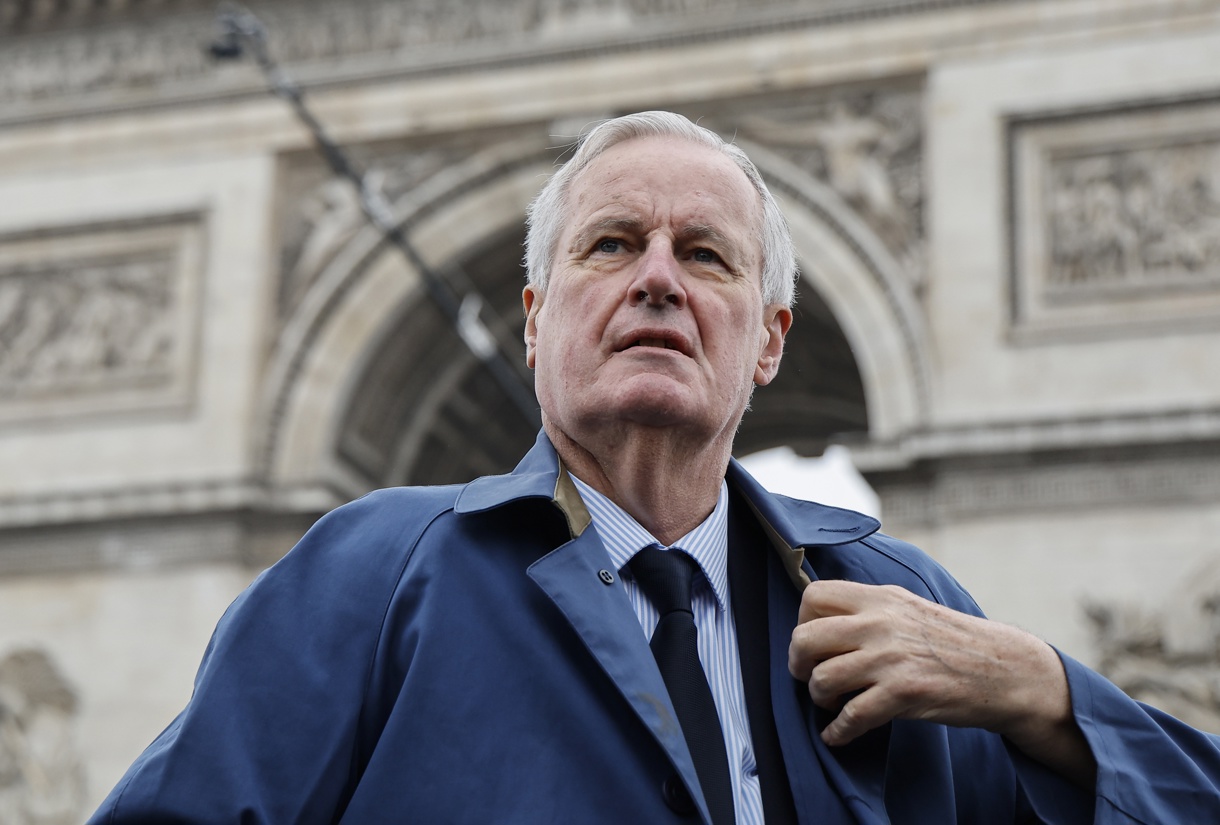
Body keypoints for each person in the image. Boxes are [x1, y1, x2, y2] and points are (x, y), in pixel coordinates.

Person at [89, 112, 1220, 824]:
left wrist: (1050, 699)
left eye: (706, 255)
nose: (657, 279)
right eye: (612, 244)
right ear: (534, 322)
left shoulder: (906, 611)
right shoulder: (373, 573)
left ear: (769, 338)